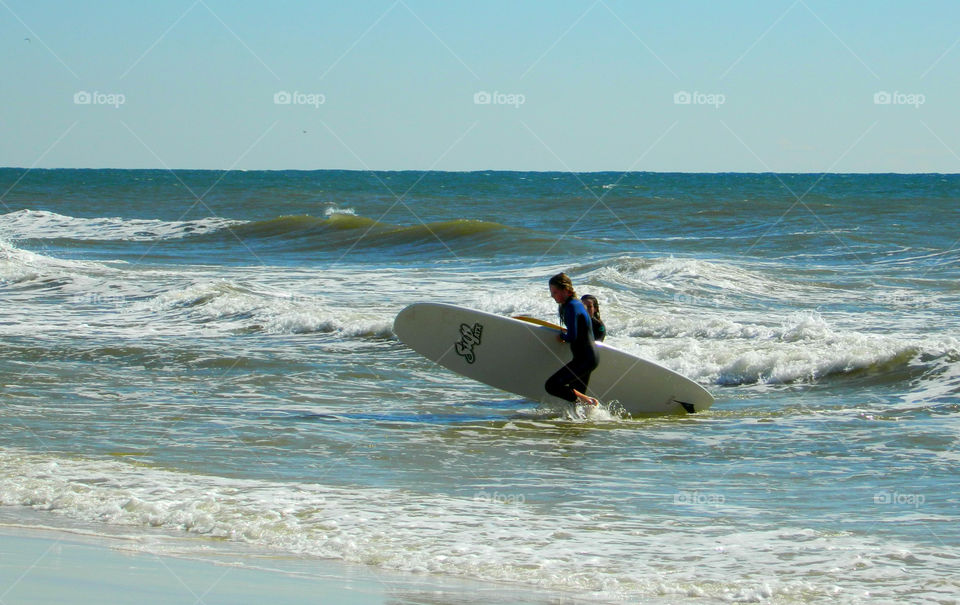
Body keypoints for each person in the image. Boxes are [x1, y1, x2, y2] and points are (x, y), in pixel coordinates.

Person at [545, 273, 599, 406]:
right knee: (577, 405)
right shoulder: (576, 304)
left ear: (565, 290)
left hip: (584, 359)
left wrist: (562, 336)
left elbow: (572, 336)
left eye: (555, 292)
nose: (552, 296)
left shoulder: (571, 306)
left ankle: (590, 401)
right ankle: (585, 421)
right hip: (589, 357)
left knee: (552, 385)